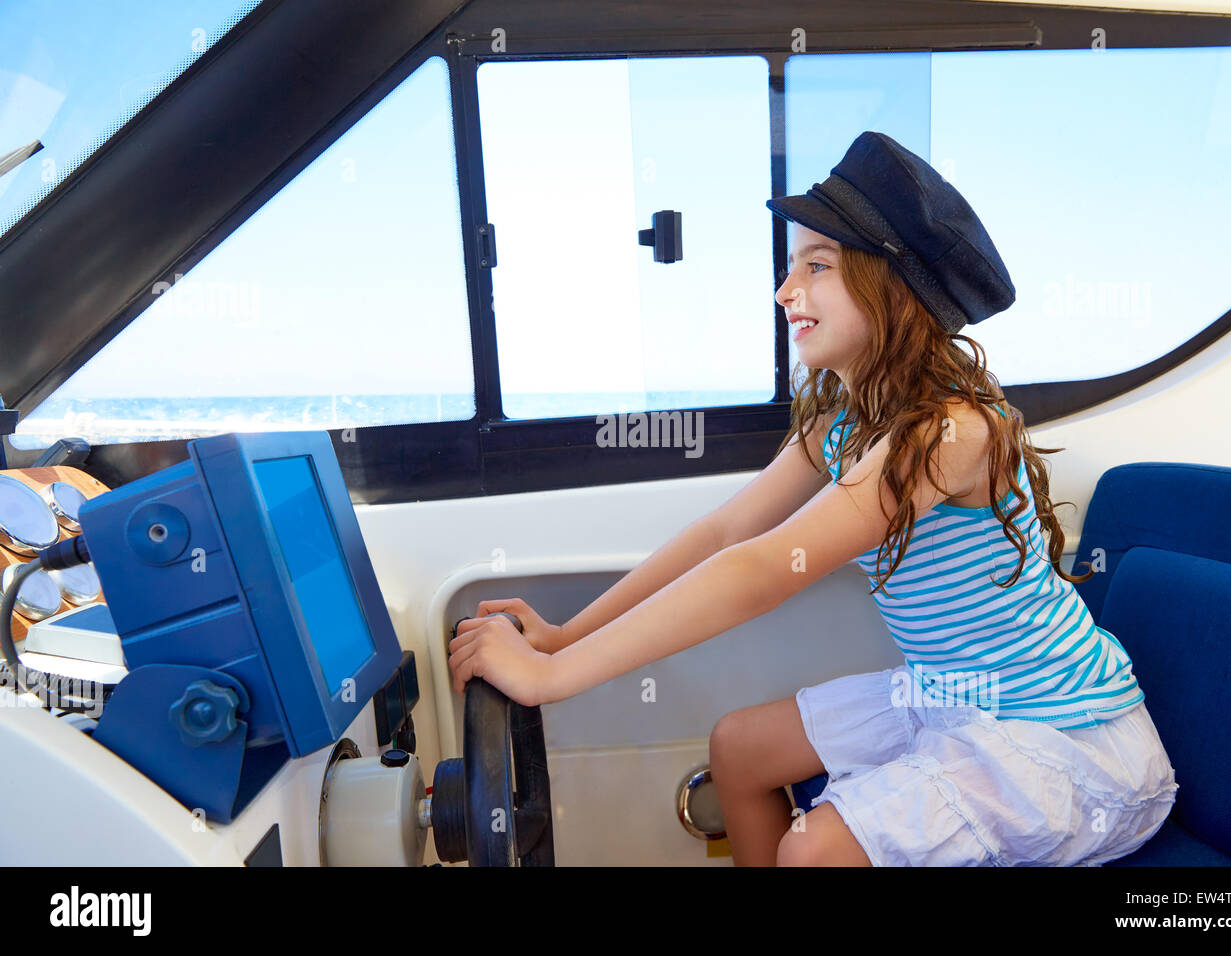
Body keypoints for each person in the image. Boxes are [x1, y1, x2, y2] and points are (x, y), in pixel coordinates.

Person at [447, 130, 1179, 867]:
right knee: (737, 750)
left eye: (817, 266)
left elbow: (764, 570)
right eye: (790, 265)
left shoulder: (953, 431)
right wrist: (564, 636)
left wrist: (551, 681)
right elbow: (727, 533)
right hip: (951, 695)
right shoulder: (842, 425)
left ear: (892, 288)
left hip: (1065, 737)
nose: (784, 291)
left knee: (809, 851)